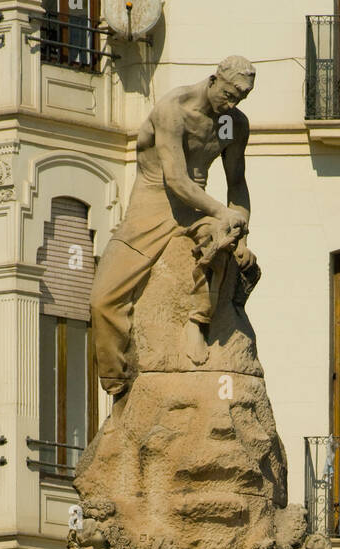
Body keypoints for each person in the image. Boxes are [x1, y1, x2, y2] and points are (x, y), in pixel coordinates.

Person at [90, 55, 258, 396]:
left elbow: (237, 183)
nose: (232, 104)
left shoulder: (234, 123)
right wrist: (222, 213)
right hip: (152, 205)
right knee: (103, 299)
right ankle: (117, 381)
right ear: (213, 81)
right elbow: (176, 179)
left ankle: (199, 321)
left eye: (240, 98)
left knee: (223, 244)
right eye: (229, 95)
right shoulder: (173, 110)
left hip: (198, 207)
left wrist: (240, 231)